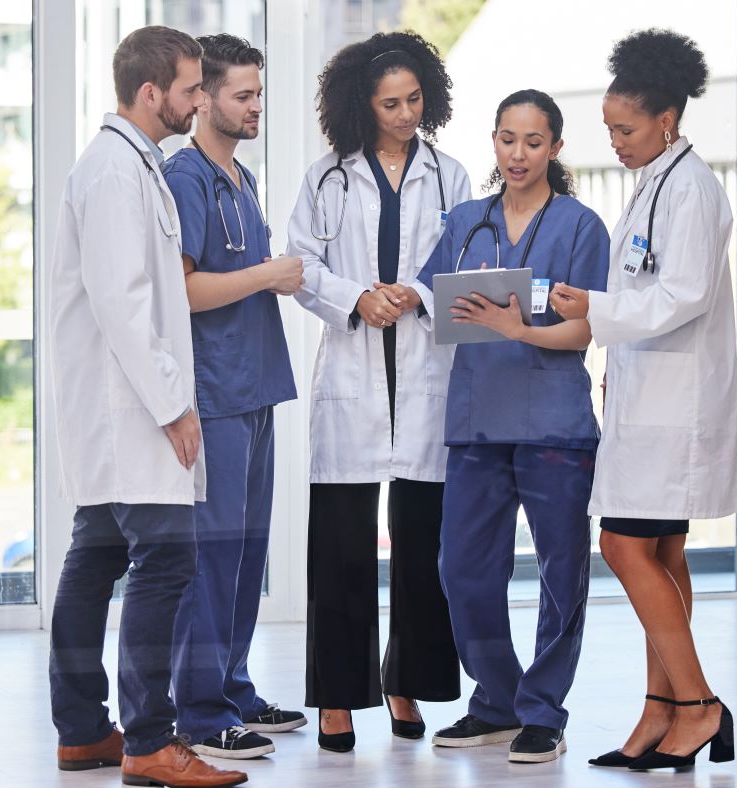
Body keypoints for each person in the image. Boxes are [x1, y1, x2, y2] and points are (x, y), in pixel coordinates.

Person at [47, 25, 246, 788]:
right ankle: (150, 743)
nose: (200, 102)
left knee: (96, 556)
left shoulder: (134, 167)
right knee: (165, 560)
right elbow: (126, 304)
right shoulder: (112, 172)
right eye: (193, 89)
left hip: (116, 409)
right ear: (151, 92)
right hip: (129, 408)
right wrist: (172, 405)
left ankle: (82, 731)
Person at [550, 28, 737, 771]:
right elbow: (645, 287)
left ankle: (698, 706)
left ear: (665, 119)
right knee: (659, 552)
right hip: (648, 394)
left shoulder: (691, 187)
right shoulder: (658, 177)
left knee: (622, 545)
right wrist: (600, 308)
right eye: (609, 128)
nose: (613, 141)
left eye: (624, 128)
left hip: (678, 406)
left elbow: (683, 293)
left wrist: (593, 309)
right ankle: (659, 712)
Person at [411, 89, 610, 764]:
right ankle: (496, 699)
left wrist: (520, 327)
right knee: (463, 571)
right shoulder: (467, 221)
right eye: (506, 139)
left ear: (555, 147)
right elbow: (434, 300)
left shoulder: (582, 227)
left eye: (532, 141)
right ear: (493, 142)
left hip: (554, 425)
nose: (517, 154)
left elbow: (587, 326)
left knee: (561, 574)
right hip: (475, 423)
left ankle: (543, 711)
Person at [285, 30, 470, 753]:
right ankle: (337, 698)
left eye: (414, 100)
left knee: (423, 544)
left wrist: (417, 293)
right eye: (389, 103)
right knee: (341, 547)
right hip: (355, 367)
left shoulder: (450, 175)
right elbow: (301, 265)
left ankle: (406, 682)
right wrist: (356, 297)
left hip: (423, 369)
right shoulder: (328, 176)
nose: (404, 115)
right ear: (361, 105)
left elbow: (464, 259)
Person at [163, 34, 305, 761]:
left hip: (257, 389)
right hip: (214, 392)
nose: (255, 107)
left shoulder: (241, 179)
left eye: (258, 94)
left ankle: (235, 686)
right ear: (205, 98)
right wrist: (267, 276)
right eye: (242, 95)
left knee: (249, 552)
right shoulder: (186, 178)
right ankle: (199, 708)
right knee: (213, 557)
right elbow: (184, 290)